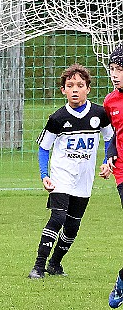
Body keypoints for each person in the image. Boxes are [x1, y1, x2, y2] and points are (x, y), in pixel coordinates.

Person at [28, 63, 113, 279]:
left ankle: (55, 264)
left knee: (73, 226)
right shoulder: (57, 118)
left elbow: (110, 138)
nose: (75, 89)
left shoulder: (99, 114)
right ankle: (38, 267)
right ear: (63, 90)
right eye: (70, 85)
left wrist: (107, 161)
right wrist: (44, 175)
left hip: (84, 178)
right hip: (61, 176)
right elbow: (44, 147)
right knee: (57, 218)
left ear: (88, 88)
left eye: (80, 85)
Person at [103, 45, 123, 308]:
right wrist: (109, 156)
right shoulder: (110, 102)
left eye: (120, 69)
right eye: (113, 69)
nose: (116, 75)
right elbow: (111, 137)